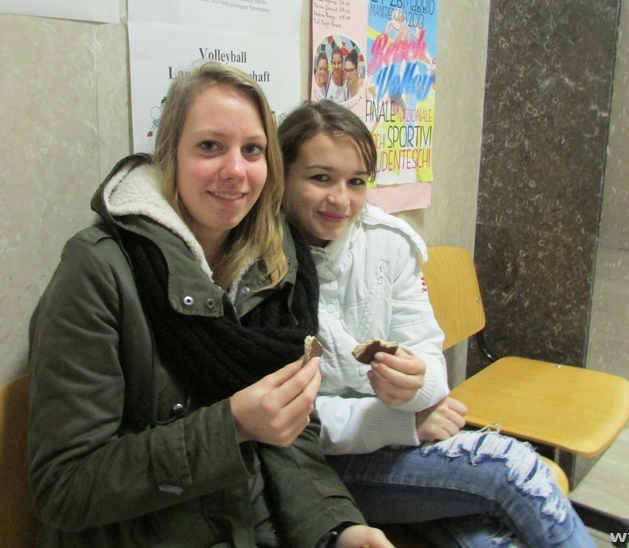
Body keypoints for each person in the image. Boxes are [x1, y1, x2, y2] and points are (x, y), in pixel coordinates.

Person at [26, 63, 394, 548]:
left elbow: (291, 435)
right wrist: (232, 425)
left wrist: (337, 528)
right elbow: (64, 487)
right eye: (209, 146)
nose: (236, 170)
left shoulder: (275, 261)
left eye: (252, 150)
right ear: (170, 153)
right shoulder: (98, 271)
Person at [279, 99, 596, 547]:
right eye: (320, 178)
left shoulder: (388, 242)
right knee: (513, 467)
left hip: (400, 444)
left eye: (357, 182)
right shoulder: (262, 263)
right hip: (316, 468)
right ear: (282, 176)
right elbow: (287, 419)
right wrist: (400, 422)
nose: (341, 200)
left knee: (490, 540)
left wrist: (416, 383)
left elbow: (429, 357)